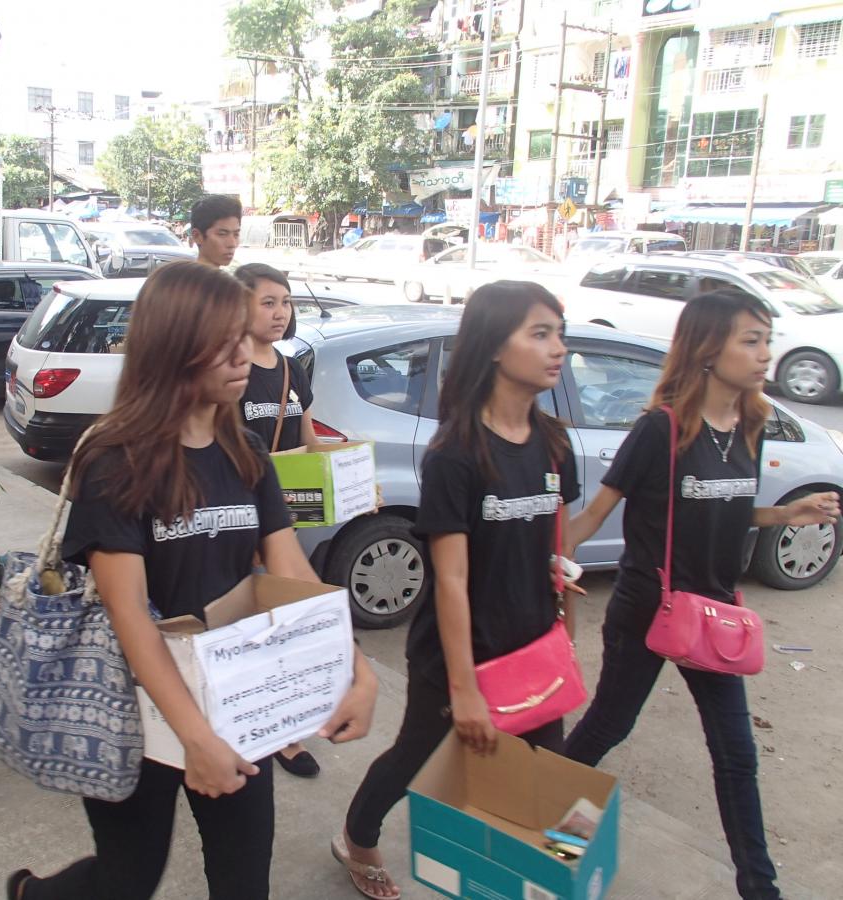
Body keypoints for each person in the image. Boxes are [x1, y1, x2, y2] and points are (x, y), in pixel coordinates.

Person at [7, 261, 378, 900]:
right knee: (128, 880)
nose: (243, 355)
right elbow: (130, 616)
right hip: (137, 706)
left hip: (236, 694)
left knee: (244, 882)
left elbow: (291, 571)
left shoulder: (246, 453)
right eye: (223, 341)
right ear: (174, 346)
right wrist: (195, 738)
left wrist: (356, 666)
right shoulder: (115, 460)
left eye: (244, 337)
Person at [563, 290, 840, 900]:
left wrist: (785, 514)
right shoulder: (659, 429)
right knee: (608, 726)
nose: (765, 354)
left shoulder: (750, 425)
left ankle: (759, 888)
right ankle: (542, 829)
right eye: (751, 340)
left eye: (767, 341)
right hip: (647, 609)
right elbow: (591, 518)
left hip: (713, 616)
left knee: (737, 754)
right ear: (708, 349)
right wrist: (544, 560)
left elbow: (729, 511)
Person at [334, 281, 579, 900]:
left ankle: (553, 879)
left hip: (533, 649)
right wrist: (466, 691)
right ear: (494, 345)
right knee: (415, 756)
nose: (559, 348)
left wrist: (566, 640)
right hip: (457, 658)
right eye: (540, 333)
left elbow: (558, 547)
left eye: (560, 333)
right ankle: (357, 837)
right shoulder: (457, 453)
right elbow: (451, 578)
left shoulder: (555, 443)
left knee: (547, 776)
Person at [234, 263, 320, 779]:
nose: (279, 312)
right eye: (267, 302)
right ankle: (255, 726)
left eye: (285, 302)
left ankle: (285, 732)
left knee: (284, 624)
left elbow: (309, 439)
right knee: (247, 629)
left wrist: (351, 477)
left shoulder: (292, 369)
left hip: (287, 520)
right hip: (238, 523)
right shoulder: (228, 368)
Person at [190, 194, 242, 268]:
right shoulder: (184, 275)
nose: (232, 244)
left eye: (236, 234)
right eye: (222, 234)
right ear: (197, 236)